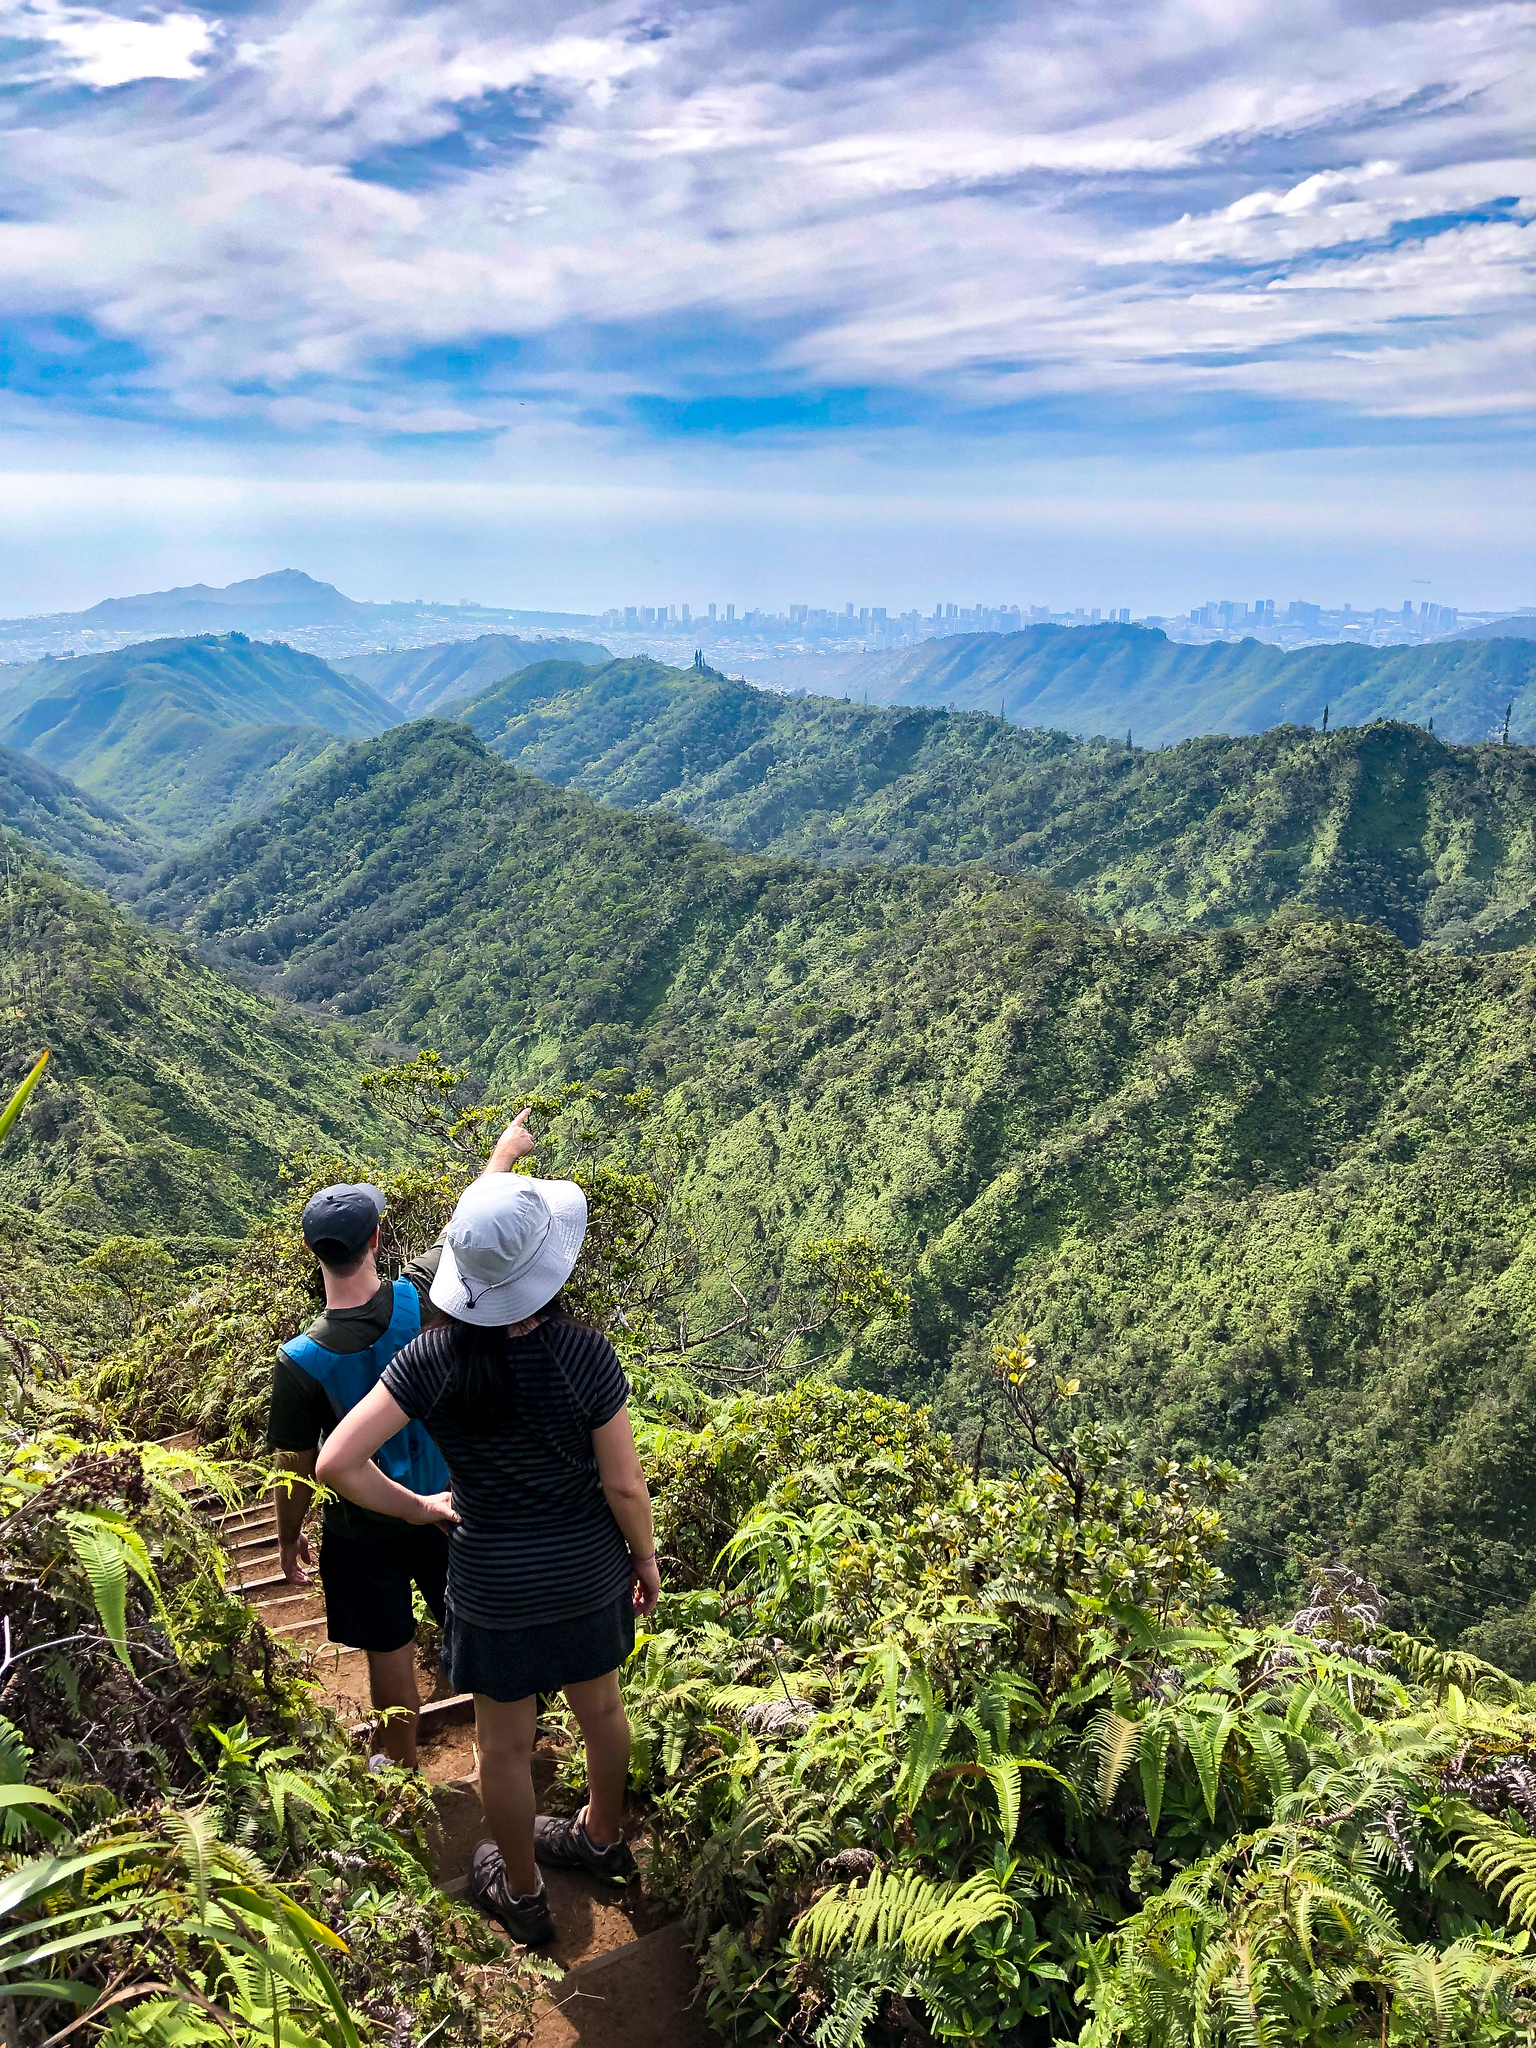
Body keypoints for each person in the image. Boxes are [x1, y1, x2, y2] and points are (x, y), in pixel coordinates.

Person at [315, 1126, 660, 1946]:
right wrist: (643, 1557)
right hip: (586, 1571)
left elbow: (336, 1462)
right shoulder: (586, 1356)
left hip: (495, 1583)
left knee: (503, 1748)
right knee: (601, 1708)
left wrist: (417, 1507)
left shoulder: (430, 1359)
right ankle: (603, 1837)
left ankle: (525, 1892)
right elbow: (623, 1483)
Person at [267, 1119, 534, 1766]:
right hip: (449, 1505)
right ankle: (508, 1753)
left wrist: (287, 1536)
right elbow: (469, 1223)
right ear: (377, 1239)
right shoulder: (423, 1296)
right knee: (475, 1628)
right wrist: (503, 1152)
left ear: (314, 1251)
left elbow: (298, 1466)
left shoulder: (299, 1361)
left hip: (363, 1528)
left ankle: (402, 1772)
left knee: (388, 1652)